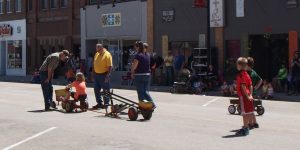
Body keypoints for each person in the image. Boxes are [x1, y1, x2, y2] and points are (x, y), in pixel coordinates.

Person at [235, 57, 258, 136]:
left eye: (237, 64)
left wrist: (247, 97)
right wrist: (250, 95)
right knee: (248, 112)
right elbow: (250, 85)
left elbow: (243, 86)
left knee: (244, 113)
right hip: (248, 95)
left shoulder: (241, 75)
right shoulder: (247, 74)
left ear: (240, 66)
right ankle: (246, 127)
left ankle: (245, 128)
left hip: (243, 96)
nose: (236, 66)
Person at [131, 41, 156, 109]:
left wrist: (132, 72)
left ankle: (150, 104)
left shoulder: (138, 55)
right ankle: (144, 105)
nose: (135, 49)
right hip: (147, 75)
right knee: (145, 90)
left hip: (139, 75)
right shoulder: (147, 54)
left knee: (141, 91)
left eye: (135, 47)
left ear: (138, 47)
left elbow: (134, 66)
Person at [92, 43, 113, 109]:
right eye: (96, 49)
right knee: (96, 90)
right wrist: (93, 74)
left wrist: (107, 76)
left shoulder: (107, 54)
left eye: (99, 49)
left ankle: (106, 104)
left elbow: (110, 66)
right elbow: (94, 64)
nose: (97, 51)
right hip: (96, 75)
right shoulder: (96, 54)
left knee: (106, 90)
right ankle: (99, 103)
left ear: (102, 48)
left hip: (104, 75)